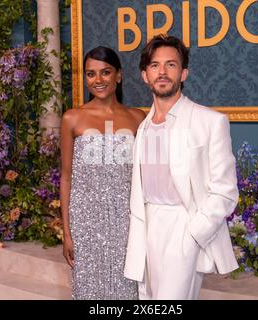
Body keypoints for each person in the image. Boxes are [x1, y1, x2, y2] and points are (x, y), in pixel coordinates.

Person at [124, 35, 239, 300]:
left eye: (171, 65)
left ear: (183, 72)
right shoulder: (143, 127)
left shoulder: (210, 121)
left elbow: (225, 191)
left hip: (183, 224)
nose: (162, 72)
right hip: (147, 226)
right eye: (154, 65)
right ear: (145, 75)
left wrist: (193, 234)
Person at [60, 46, 146, 300]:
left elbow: (144, 178)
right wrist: (67, 232)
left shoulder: (137, 118)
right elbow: (66, 178)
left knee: (127, 288)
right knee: (89, 290)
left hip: (126, 220)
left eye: (105, 72)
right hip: (84, 220)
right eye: (91, 74)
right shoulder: (72, 118)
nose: (98, 80)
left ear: (118, 75)